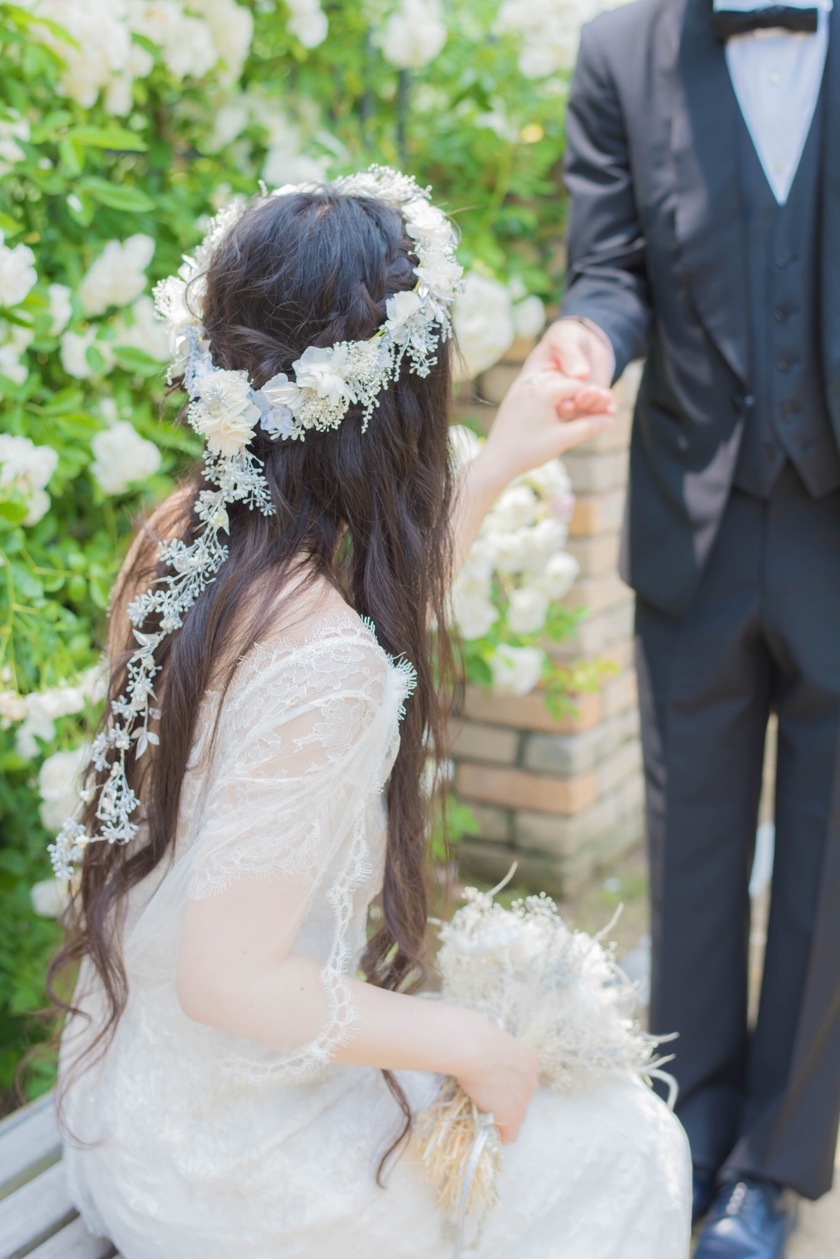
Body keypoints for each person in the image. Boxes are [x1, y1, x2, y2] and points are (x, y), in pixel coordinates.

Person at [49, 169, 691, 1259]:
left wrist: (499, 461)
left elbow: (358, 647)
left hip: (132, 1093)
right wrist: (470, 1038)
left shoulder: (192, 543)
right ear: (400, 399)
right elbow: (231, 976)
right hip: (230, 1162)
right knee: (631, 1144)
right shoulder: (321, 655)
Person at [525, 2, 840, 1256]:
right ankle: (688, 1135)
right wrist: (585, 332)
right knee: (692, 851)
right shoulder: (620, 49)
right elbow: (606, 267)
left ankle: (774, 1164)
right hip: (692, 527)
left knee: (826, 862)